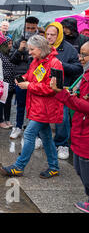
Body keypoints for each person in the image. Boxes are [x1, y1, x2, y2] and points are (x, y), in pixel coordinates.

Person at [1, 35, 63, 179]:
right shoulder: (37, 61)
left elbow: (53, 88)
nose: (29, 52)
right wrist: (23, 79)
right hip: (38, 106)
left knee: (29, 134)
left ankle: (19, 167)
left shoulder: (55, 63)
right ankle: (54, 167)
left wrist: (29, 85)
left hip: (45, 107)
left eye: (32, 49)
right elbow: (31, 75)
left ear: (41, 49)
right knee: (46, 136)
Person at [51, 41, 89, 213]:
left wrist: (64, 95)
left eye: (84, 55)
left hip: (86, 131)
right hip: (80, 129)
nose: (80, 58)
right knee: (79, 168)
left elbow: (86, 106)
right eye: (80, 54)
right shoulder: (85, 73)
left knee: (85, 170)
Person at [45, 22, 83, 160]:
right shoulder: (43, 47)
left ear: (59, 34)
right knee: (42, 116)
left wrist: (62, 65)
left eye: (52, 34)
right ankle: (41, 139)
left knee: (62, 119)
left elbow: (78, 69)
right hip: (44, 90)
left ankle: (62, 144)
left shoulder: (69, 49)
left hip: (62, 89)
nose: (49, 37)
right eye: (47, 34)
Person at [9, 16, 39, 140]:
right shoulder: (18, 41)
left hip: (35, 78)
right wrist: (20, 50)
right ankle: (18, 126)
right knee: (20, 104)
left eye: (33, 28)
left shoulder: (39, 41)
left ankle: (34, 132)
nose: (30, 30)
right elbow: (12, 59)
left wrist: (26, 55)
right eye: (28, 28)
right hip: (20, 77)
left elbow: (38, 59)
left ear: (36, 28)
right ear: (24, 27)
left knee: (35, 106)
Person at [0, 36, 16, 129]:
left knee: (8, 102)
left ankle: (7, 119)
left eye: (11, 43)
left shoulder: (10, 54)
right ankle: (0, 120)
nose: (10, 45)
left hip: (11, 82)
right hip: (3, 83)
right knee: (1, 103)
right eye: (9, 43)